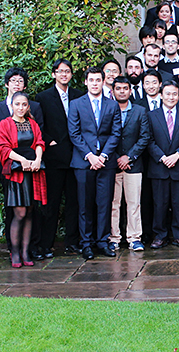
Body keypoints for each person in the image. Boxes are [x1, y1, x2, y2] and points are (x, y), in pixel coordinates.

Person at [68, 66, 122, 260]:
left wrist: (104, 156)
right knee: (85, 204)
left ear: (103, 81)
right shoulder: (76, 104)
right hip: (84, 162)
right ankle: (87, 243)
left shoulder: (112, 105)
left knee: (104, 203)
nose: (95, 83)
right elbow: (74, 133)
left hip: (105, 162)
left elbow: (116, 133)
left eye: (98, 80)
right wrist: (90, 156)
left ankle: (102, 241)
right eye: (91, 80)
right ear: (85, 82)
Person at [35, 59, 84, 257]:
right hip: (54, 157)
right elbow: (38, 125)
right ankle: (46, 244)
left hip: (75, 156)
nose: (64, 74)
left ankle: (72, 242)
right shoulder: (43, 97)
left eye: (67, 71)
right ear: (54, 74)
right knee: (51, 203)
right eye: (60, 71)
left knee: (74, 202)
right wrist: (49, 141)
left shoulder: (79, 95)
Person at [0, 92, 47, 267]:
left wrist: (38, 160)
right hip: (17, 173)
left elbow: (40, 142)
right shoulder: (5, 124)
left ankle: (26, 251)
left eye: (24, 104)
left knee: (30, 212)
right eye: (17, 104)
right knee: (20, 213)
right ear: (12, 105)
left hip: (33, 172)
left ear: (28, 107)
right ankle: (15, 252)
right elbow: (2, 147)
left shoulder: (32, 123)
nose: (21, 108)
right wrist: (22, 160)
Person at [146, 80, 179, 248]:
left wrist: (177, 155)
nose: (171, 97)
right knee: (159, 203)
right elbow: (149, 140)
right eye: (167, 93)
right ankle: (160, 236)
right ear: (161, 95)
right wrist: (162, 157)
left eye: (174, 93)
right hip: (159, 167)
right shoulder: (151, 116)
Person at [108, 76, 150, 252]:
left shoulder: (140, 111)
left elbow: (144, 137)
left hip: (134, 164)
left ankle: (134, 237)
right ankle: (114, 238)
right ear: (113, 91)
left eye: (125, 88)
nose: (122, 91)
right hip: (112, 163)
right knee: (113, 203)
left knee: (134, 203)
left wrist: (128, 157)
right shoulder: (107, 109)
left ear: (130, 91)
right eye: (118, 88)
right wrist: (118, 156)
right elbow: (104, 135)